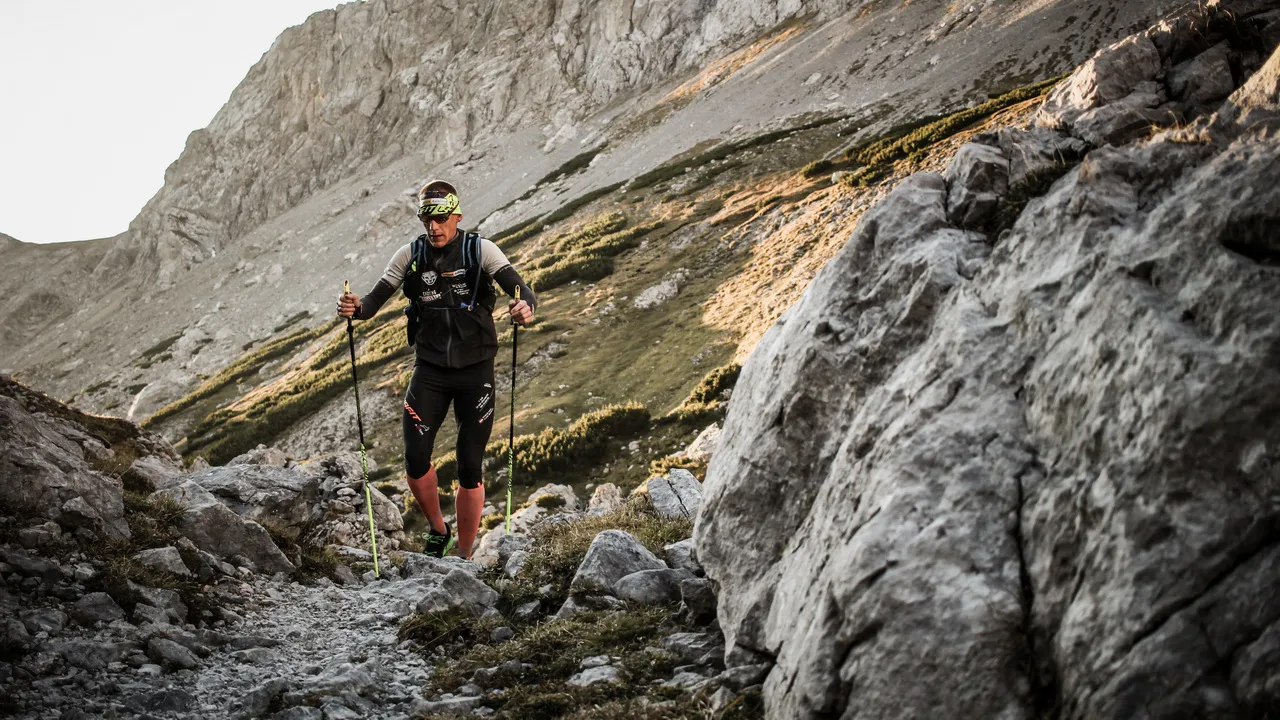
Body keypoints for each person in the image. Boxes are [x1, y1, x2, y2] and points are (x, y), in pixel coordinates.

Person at [337, 180, 535, 559]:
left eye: (441, 218)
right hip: (429, 370)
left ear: (456, 216)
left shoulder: (481, 250)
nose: (434, 226)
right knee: (414, 457)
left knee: (469, 464)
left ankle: (462, 554)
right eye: (427, 219)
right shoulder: (409, 255)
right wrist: (354, 308)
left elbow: (522, 291)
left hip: (475, 371)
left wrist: (524, 308)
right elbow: (373, 302)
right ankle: (438, 529)